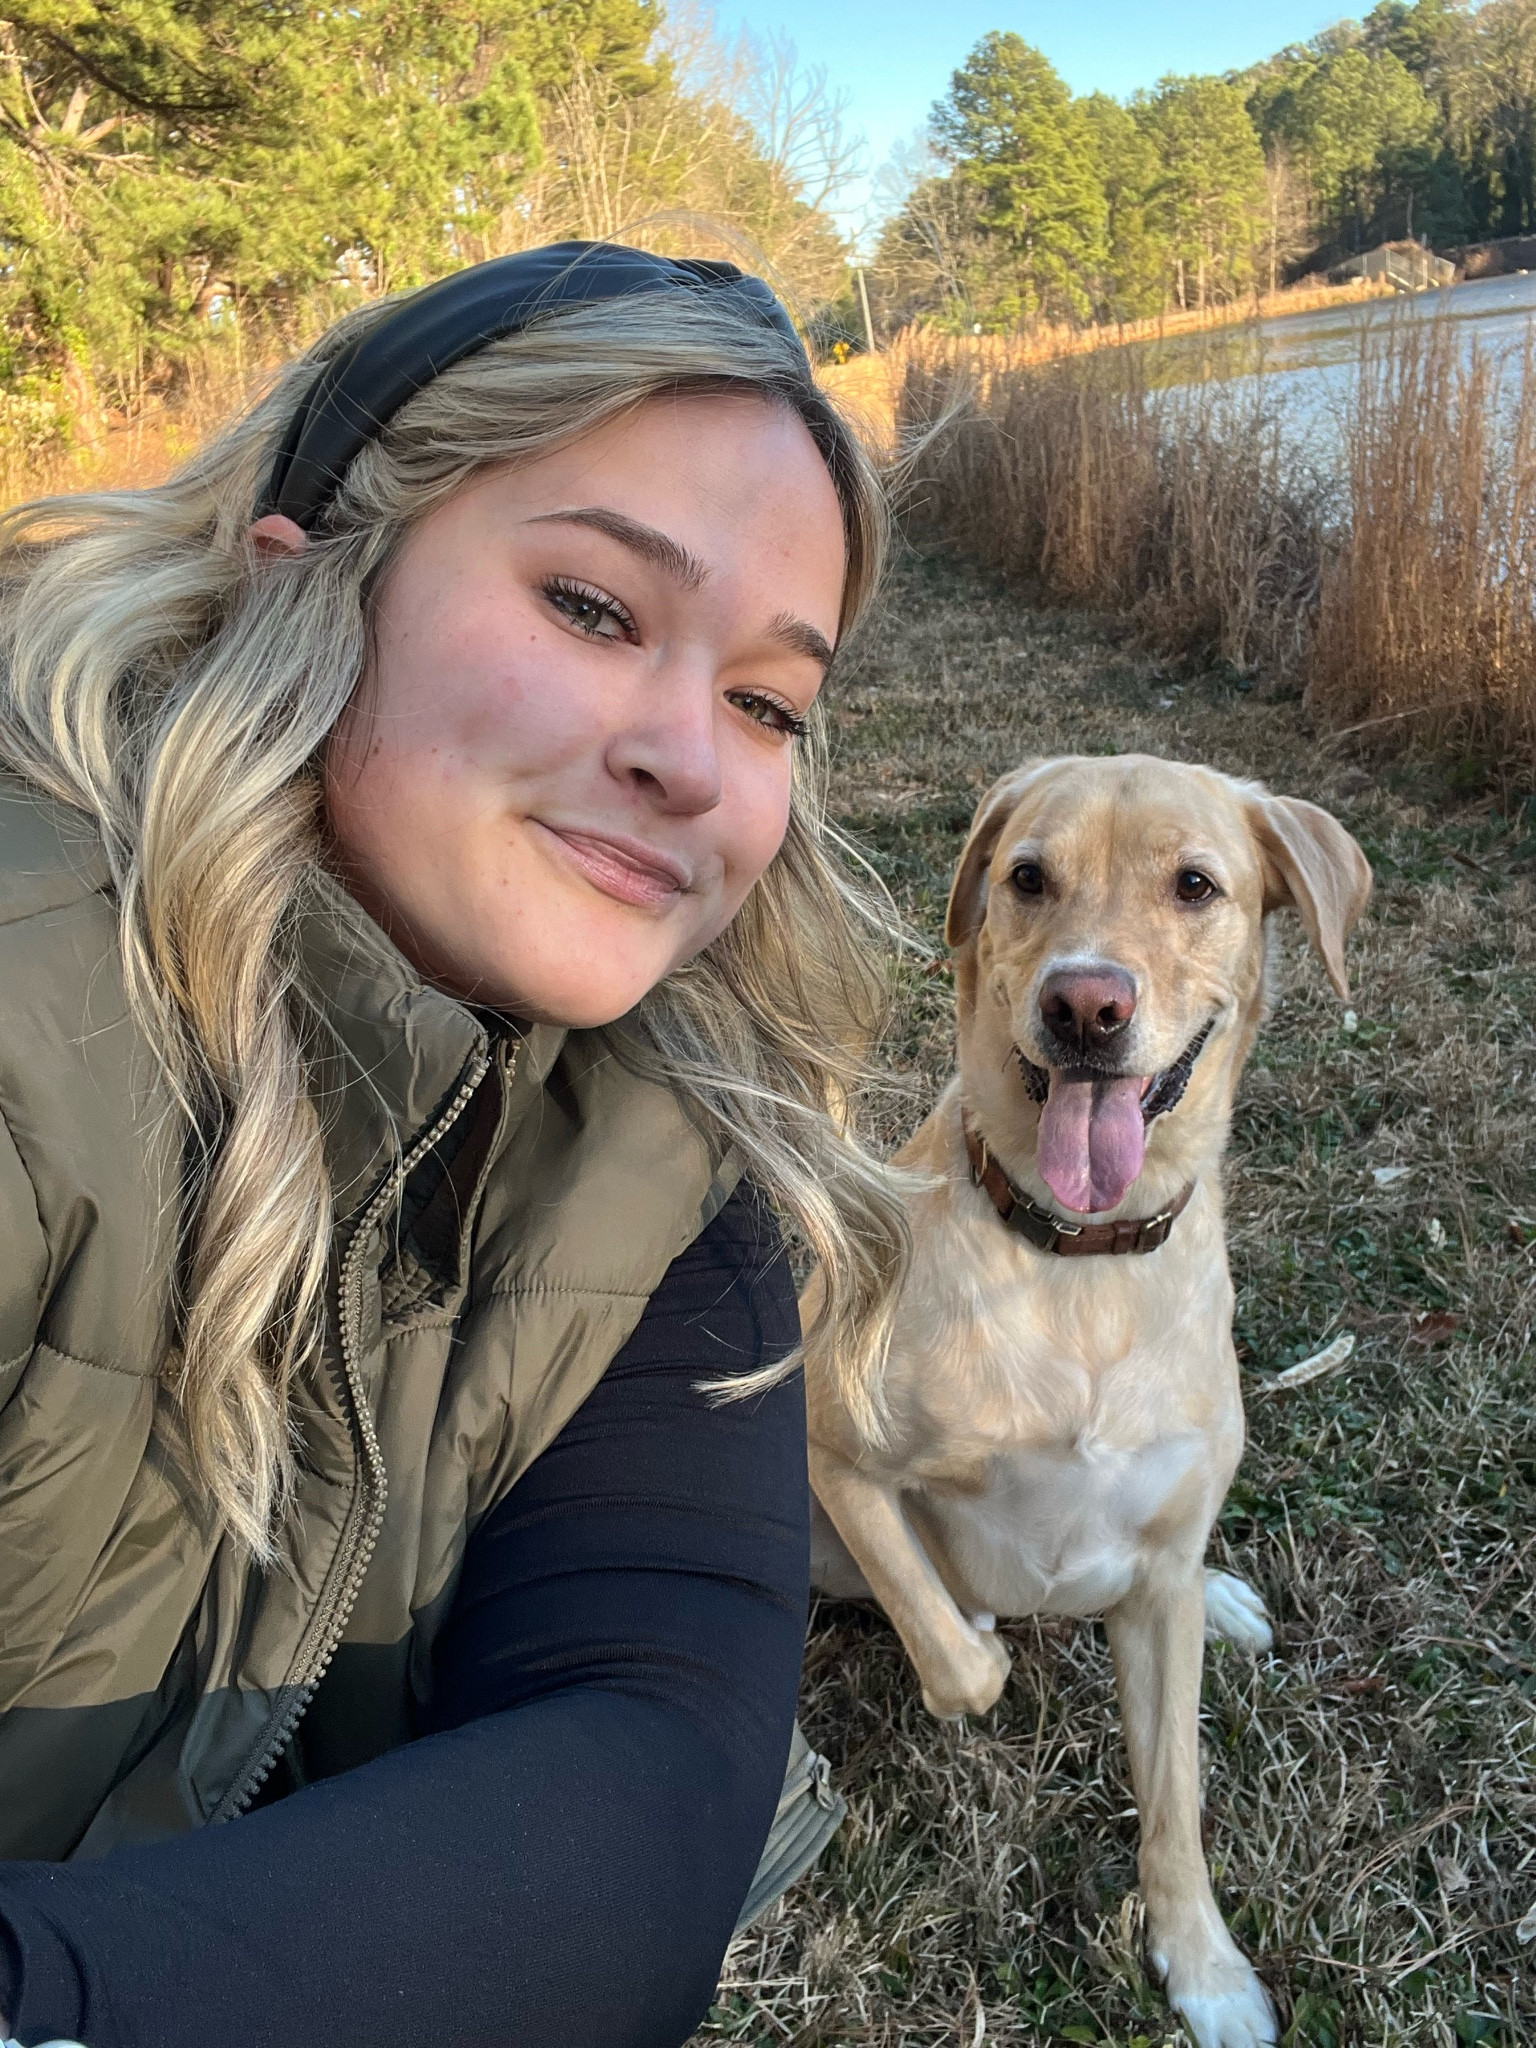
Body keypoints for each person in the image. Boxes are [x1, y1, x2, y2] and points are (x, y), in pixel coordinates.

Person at [0, 241, 909, 2048]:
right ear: (308, 587)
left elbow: (648, 1765)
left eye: (767, 702)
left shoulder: (664, 1157)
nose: (692, 760)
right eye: (591, 607)